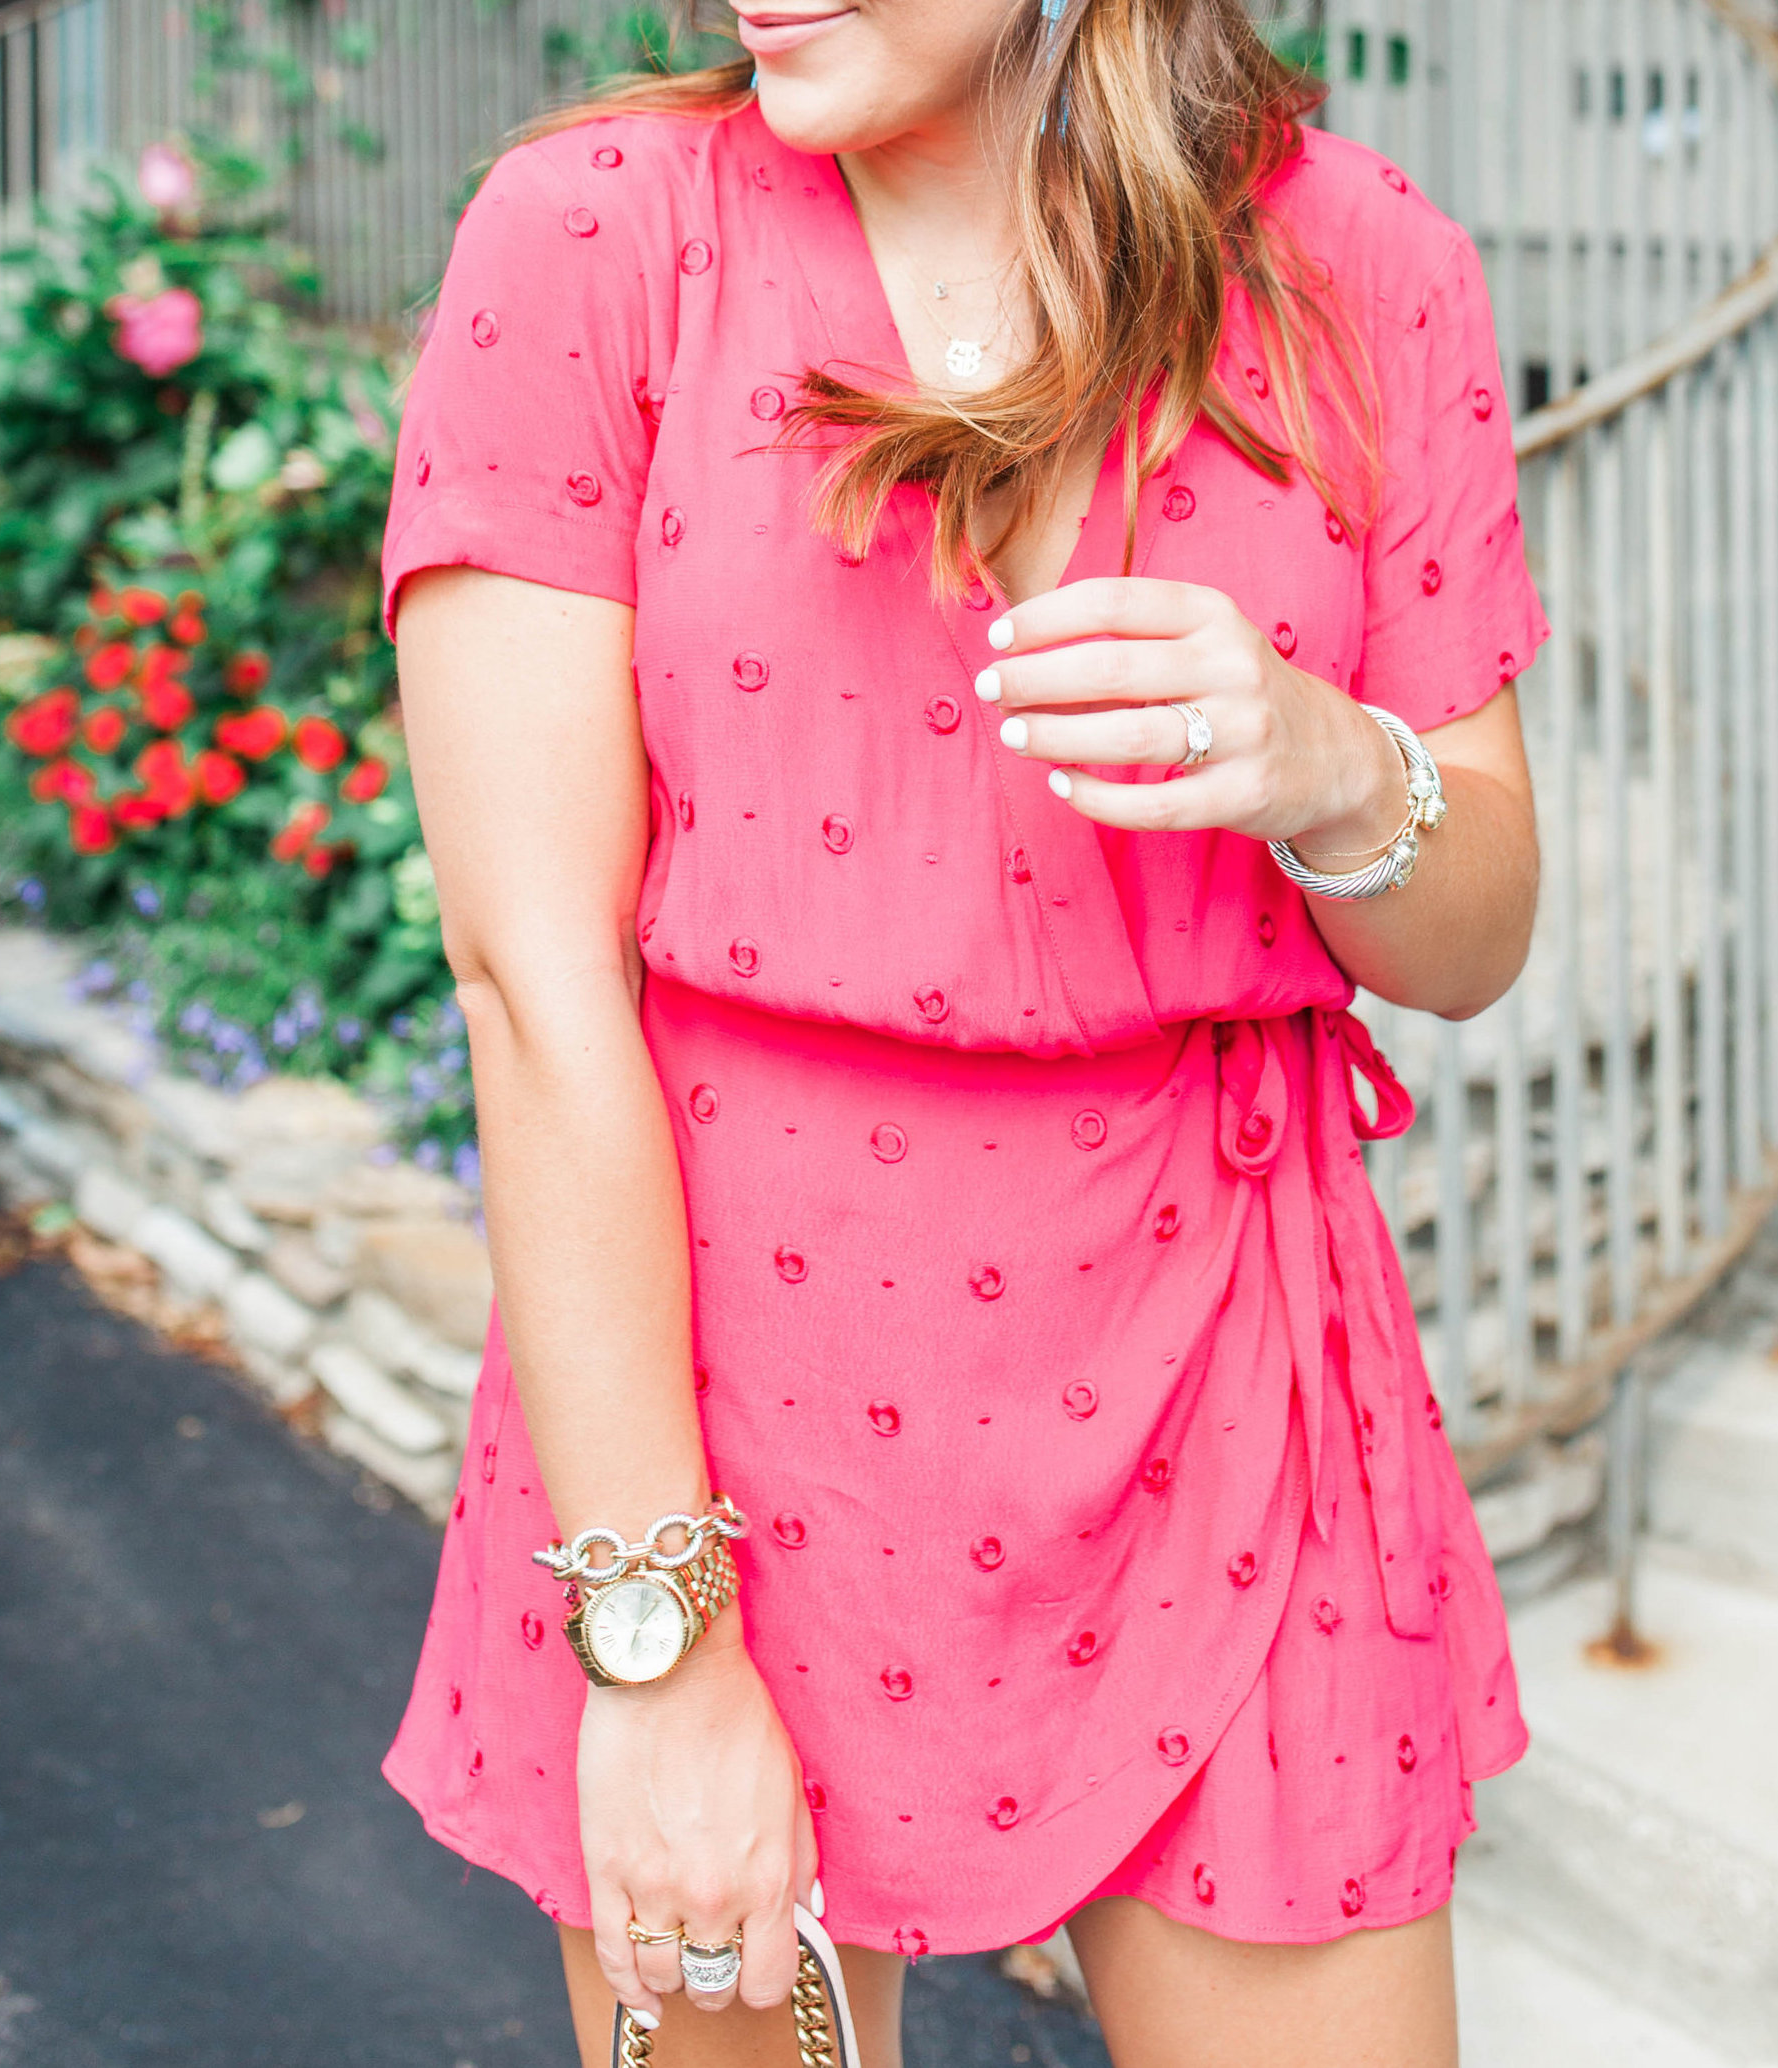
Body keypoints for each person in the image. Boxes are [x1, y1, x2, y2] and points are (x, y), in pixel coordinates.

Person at [379, 0, 1545, 2058]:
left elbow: (1470, 938)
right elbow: (531, 986)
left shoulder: (1365, 267)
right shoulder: (596, 236)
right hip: (734, 1391)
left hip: (1233, 1373)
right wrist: (655, 1658)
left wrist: (1329, 765)